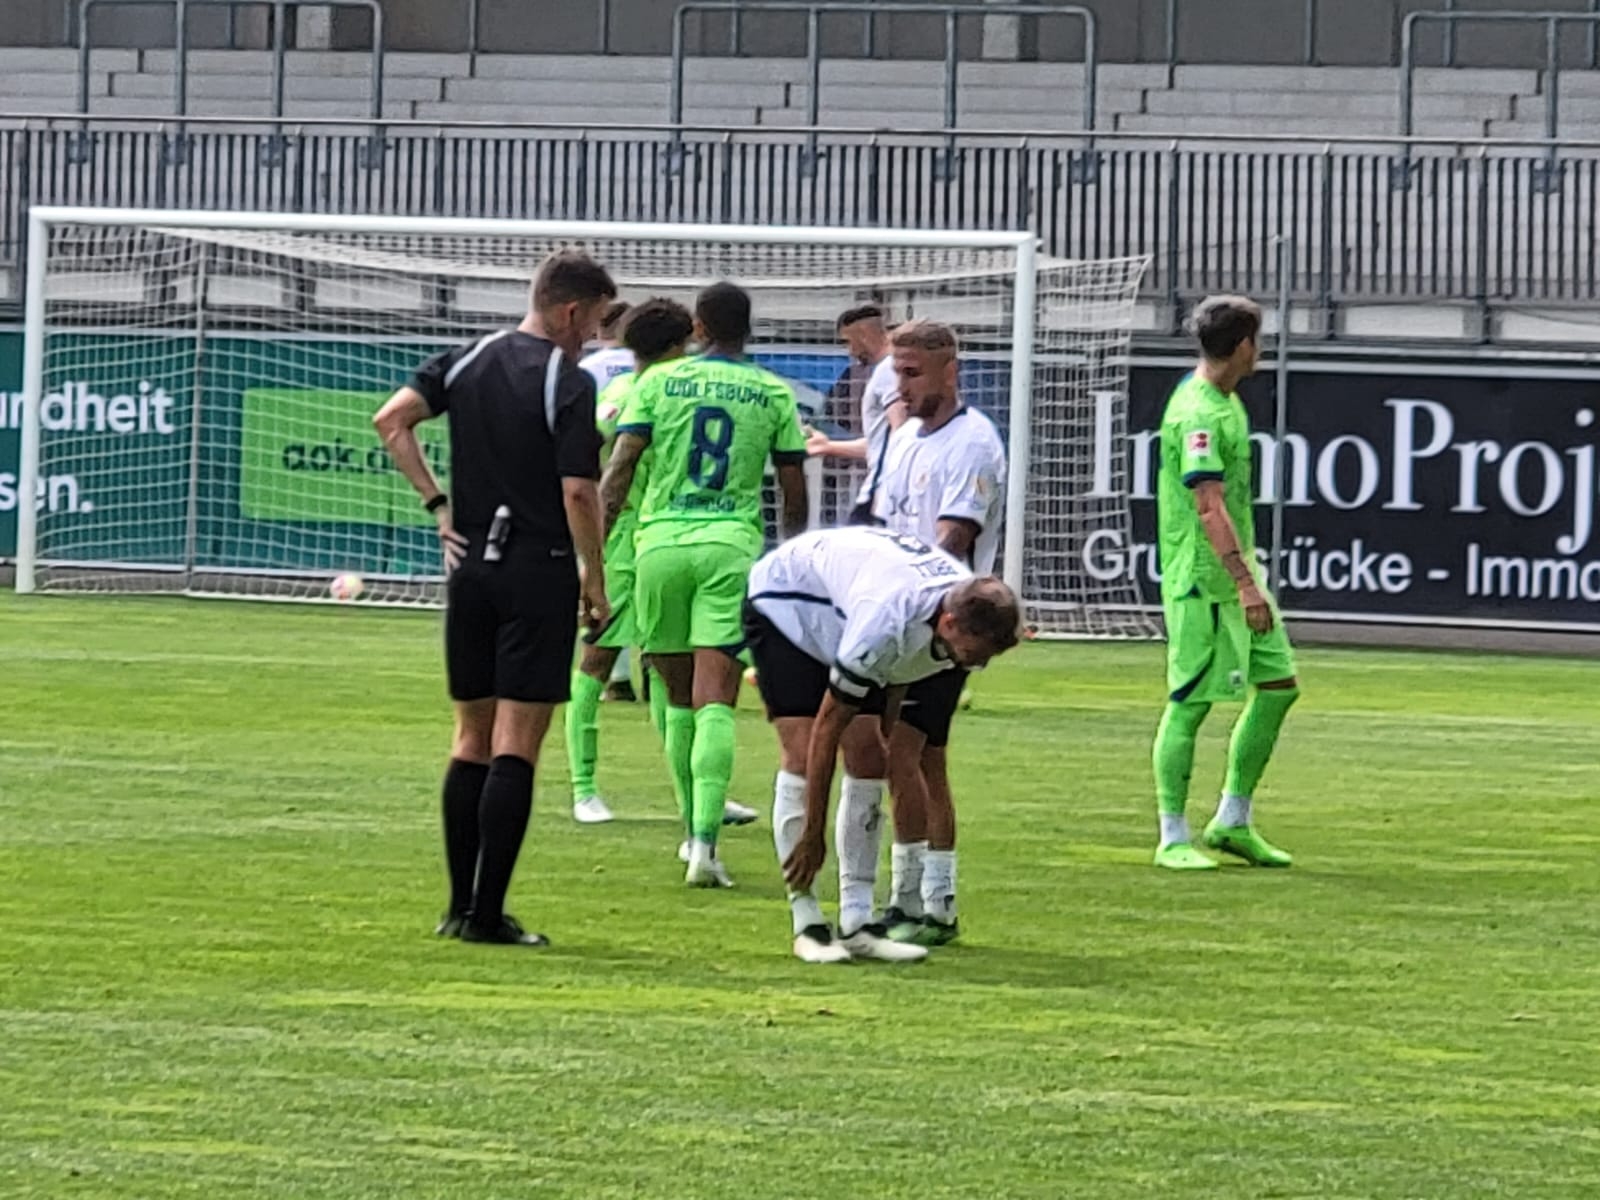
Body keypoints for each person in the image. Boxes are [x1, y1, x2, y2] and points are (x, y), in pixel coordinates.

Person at [373, 249, 618, 947]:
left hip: (471, 567)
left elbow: (390, 421)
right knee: (517, 742)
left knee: (470, 738)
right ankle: (488, 914)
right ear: (570, 310)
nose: (592, 337)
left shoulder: (467, 358)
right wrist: (593, 578)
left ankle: (457, 907)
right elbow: (578, 491)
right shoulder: (565, 380)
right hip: (537, 569)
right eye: (594, 322)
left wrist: (438, 505)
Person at [601, 282, 809, 887]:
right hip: (730, 548)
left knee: (674, 697)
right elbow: (793, 490)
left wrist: (593, 557)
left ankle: (692, 830)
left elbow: (619, 471)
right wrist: (790, 560)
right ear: (749, 327)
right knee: (715, 696)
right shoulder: (773, 391)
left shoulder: (658, 382)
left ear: (698, 326)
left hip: (659, 546)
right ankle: (706, 848)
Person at [745, 526, 1022, 963]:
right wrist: (814, 835)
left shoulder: (949, 615)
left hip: (848, 606)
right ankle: (807, 921)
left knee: (871, 754)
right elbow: (826, 731)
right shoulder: (885, 621)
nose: (980, 664)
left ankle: (858, 923)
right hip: (787, 606)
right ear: (950, 624)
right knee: (800, 753)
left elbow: (899, 677)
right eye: (978, 652)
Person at [871, 319, 1006, 946]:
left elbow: (953, 540)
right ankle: (934, 902)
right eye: (896, 373)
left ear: (950, 371)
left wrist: (905, 602)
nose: (901, 386)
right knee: (920, 758)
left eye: (912, 373)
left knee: (904, 754)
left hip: (942, 627)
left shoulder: (973, 442)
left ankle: (913, 900)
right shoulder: (903, 438)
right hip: (902, 622)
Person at [1151, 295, 1298, 871]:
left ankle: (1232, 819)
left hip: (1237, 577)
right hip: (1204, 582)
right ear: (1242, 346)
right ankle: (1172, 836)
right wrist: (1244, 583)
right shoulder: (1200, 415)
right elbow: (1209, 507)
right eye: (1257, 340)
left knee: (1279, 686)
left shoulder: (1226, 400)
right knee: (1189, 704)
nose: (1259, 351)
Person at [564, 299, 691, 827]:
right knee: (597, 657)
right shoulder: (623, 394)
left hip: (660, 539)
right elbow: (593, 462)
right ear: (678, 346)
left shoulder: (666, 393)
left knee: (667, 666)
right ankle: (583, 788)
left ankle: (690, 793)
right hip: (620, 542)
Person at [580, 300, 642, 702]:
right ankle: (655, 681)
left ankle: (614, 681)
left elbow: (587, 434)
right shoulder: (677, 374)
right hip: (662, 507)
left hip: (606, 498)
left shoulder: (590, 370)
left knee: (601, 588)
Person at [805, 304, 906, 524]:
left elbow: (902, 434)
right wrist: (828, 446)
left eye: (848, 342)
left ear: (864, 335)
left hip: (885, 491)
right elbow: (880, 444)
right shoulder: (886, 370)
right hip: (884, 490)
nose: (850, 351)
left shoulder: (888, 370)